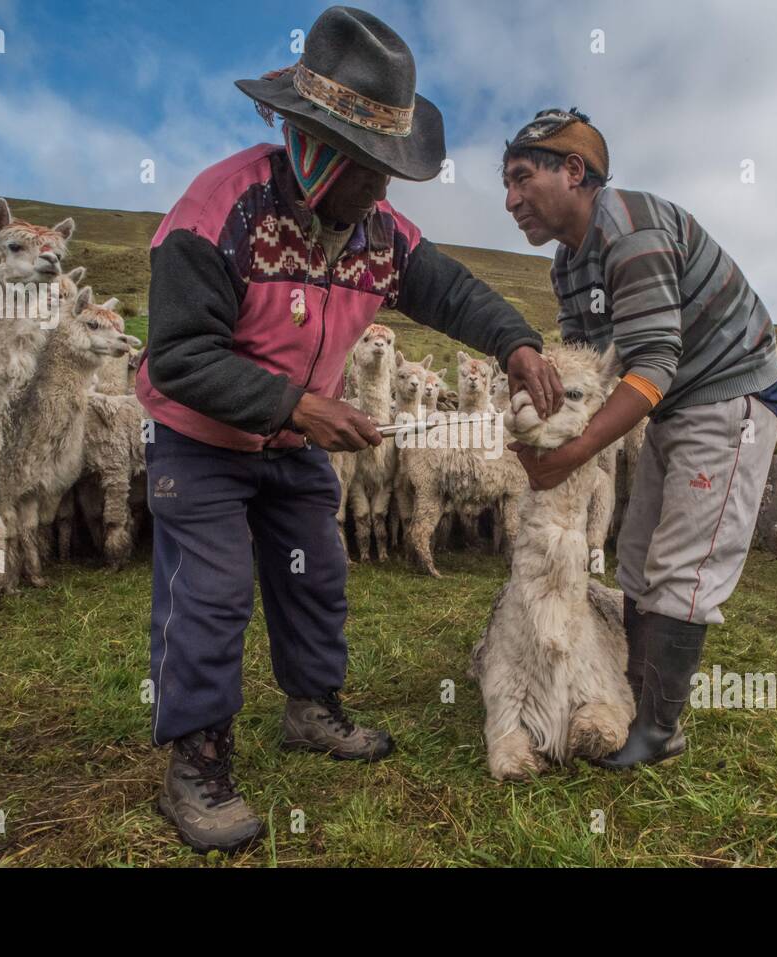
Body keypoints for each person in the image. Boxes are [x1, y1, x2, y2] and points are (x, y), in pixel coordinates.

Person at [138, 6, 563, 853]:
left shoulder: (377, 233)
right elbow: (178, 356)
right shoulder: (217, 214)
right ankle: (198, 762)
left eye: (390, 172)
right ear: (315, 149)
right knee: (211, 593)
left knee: (317, 575)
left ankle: (311, 709)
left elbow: (449, 290)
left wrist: (513, 340)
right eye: (372, 169)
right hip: (203, 443)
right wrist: (295, 404)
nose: (384, 189)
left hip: (294, 446)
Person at [500, 108, 777, 769]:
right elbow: (595, 367)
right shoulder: (569, 265)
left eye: (521, 178)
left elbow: (653, 359)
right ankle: (631, 702)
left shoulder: (631, 231)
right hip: (672, 404)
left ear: (573, 171)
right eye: (505, 185)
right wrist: (552, 432)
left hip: (727, 394)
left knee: (684, 560)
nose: (511, 200)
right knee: (636, 552)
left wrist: (570, 453)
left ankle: (658, 730)